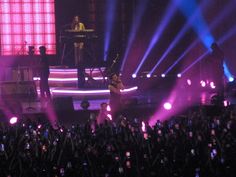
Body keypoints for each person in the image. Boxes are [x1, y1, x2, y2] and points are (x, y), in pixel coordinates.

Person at [71, 15, 86, 87]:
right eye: (75, 18)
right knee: (76, 53)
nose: (76, 20)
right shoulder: (74, 25)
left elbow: (84, 32)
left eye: (77, 18)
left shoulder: (81, 24)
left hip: (81, 41)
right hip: (76, 41)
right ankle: (76, 64)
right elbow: (72, 32)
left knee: (81, 54)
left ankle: (81, 64)